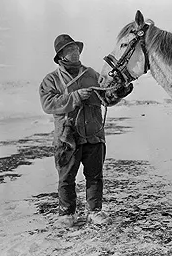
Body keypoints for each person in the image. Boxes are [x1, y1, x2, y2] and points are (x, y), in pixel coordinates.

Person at [39, 34, 133, 227]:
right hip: (67, 137)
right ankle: (67, 214)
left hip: (94, 134)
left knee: (95, 175)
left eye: (76, 49)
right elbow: (48, 104)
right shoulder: (51, 80)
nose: (75, 52)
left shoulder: (92, 74)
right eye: (69, 50)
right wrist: (75, 97)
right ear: (61, 56)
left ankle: (95, 211)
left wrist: (117, 93)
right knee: (66, 177)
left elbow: (105, 98)